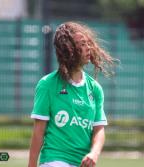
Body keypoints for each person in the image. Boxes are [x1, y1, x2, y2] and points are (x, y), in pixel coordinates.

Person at [28, 21, 118, 167]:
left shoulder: (95, 89)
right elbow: (39, 131)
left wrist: (93, 153)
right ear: (68, 49)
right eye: (82, 44)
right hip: (54, 160)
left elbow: (99, 130)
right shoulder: (47, 84)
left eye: (87, 43)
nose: (88, 47)